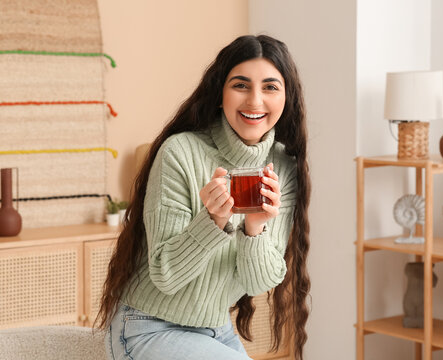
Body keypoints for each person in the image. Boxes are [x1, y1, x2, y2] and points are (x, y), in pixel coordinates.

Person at [96, 34, 311, 360]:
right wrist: (212, 222)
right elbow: (166, 277)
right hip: (147, 325)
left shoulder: (283, 166)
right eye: (240, 85)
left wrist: (255, 229)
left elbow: (258, 282)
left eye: (270, 87)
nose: (255, 101)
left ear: (287, 98)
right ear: (219, 93)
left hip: (216, 327)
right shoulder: (179, 153)